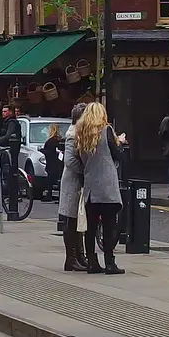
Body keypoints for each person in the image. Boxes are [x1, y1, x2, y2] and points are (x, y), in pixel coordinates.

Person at [58, 102, 126, 275]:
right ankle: (110, 263)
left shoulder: (81, 133)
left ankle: (92, 263)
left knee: (90, 227)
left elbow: (80, 159)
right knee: (110, 225)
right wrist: (121, 143)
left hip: (90, 188)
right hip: (107, 187)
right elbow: (117, 153)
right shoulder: (107, 130)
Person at [0, 105, 24, 216]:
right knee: (7, 172)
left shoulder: (12, 122)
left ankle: (12, 195)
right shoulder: (7, 122)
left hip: (10, 151)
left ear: (10, 112)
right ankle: (10, 192)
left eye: (5, 111)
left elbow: (8, 135)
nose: (3, 113)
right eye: (2, 111)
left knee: (9, 172)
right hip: (8, 151)